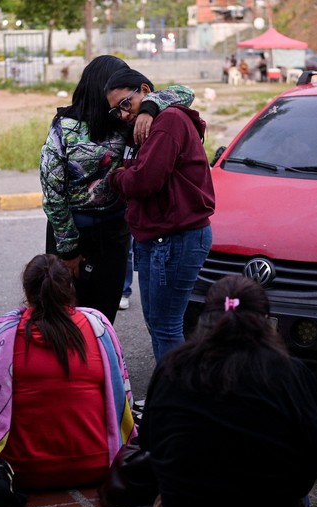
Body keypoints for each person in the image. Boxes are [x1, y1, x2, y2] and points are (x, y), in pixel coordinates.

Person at [139, 276, 317, 507]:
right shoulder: (293, 373)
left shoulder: (171, 365)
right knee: (298, 498)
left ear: (204, 319)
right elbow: (314, 460)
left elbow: (150, 443)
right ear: (266, 322)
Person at [40, 55, 194, 324]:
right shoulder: (65, 127)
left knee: (103, 317)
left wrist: (149, 107)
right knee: (66, 317)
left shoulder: (126, 121)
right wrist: (69, 250)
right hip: (72, 233)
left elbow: (185, 94)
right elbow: (52, 193)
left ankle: (100, 364)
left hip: (114, 233)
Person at [0, 254, 137, 490]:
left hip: (25, 470)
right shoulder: (98, 325)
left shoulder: (4, 333)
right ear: (69, 287)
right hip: (99, 463)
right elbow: (122, 395)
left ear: (27, 291)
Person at [106, 68, 215, 363]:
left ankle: (175, 399)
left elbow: (144, 181)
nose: (124, 115)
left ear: (144, 90)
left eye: (125, 104)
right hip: (157, 236)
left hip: (176, 237)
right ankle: (165, 395)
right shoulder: (146, 124)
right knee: (157, 324)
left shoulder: (168, 121)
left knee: (166, 326)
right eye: (116, 111)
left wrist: (117, 177)